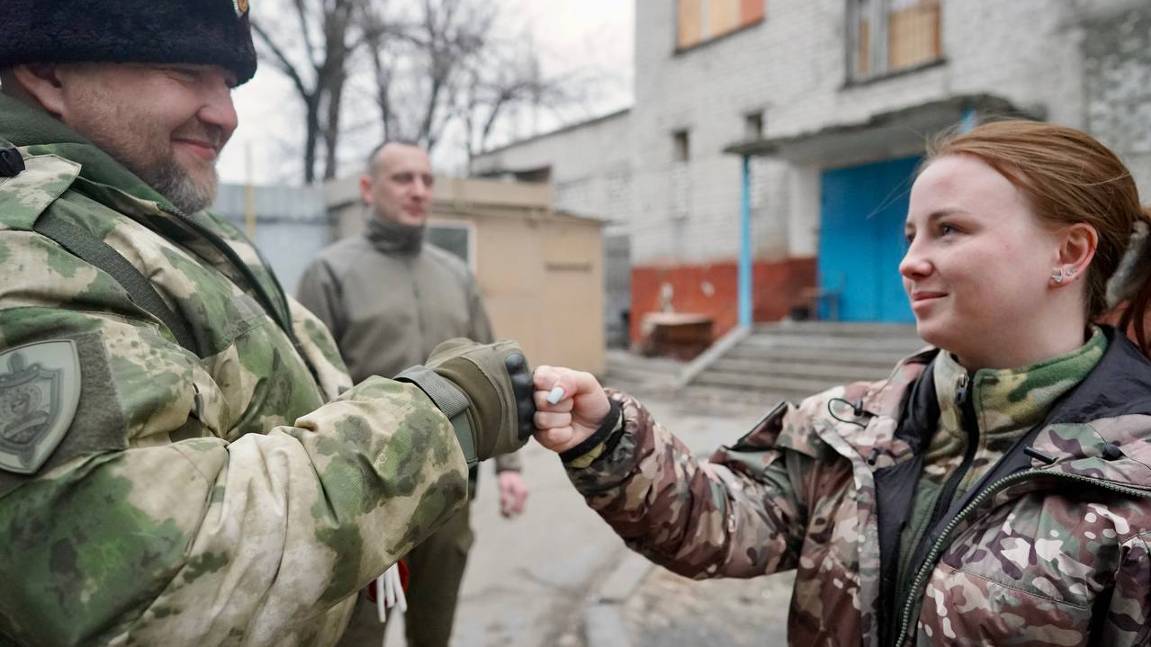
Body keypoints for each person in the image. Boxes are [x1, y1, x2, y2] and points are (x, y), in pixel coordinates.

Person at [0, 2, 536, 645]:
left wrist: (496, 459)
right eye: (184, 71)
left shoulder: (172, 225)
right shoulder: (34, 250)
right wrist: (446, 410)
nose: (225, 114)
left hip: (406, 508)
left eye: (228, 83)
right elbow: (153, 586)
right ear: (44, 69)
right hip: (397, 475)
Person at [532, 120, 1151, 646]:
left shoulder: (1134, 481)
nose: (909, 261)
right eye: (911, 235)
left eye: (950, 230)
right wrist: (609, 435)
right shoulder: (853, 423)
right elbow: (722, 524)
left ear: (1069, 252)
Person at [297, 141, 529, 647]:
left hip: (451, 493)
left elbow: (491, 374)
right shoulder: (329, 273)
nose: (419, 190)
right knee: (357, 635)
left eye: (427, 180)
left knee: (434, 630)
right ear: (367, 188)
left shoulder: (456, 276)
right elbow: (306, 388)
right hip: (367, 498)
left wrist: (510, 469)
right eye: (404, 178)